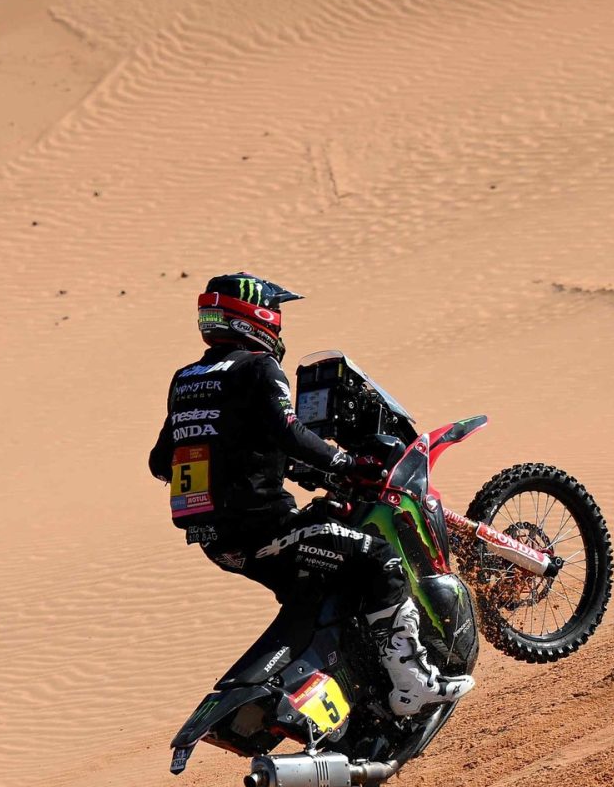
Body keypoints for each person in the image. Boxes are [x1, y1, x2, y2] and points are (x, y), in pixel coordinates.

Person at [148, 272, 471, 717]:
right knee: (381, 560)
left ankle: (355, 694)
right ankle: (411, 682)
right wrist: (344, 463)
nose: (279, 325)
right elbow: (289, 430)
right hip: (268, 529)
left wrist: (260, 463)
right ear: (257, 317)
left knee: (324, 593)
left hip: (218, 543)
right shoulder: (258, 367)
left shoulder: (186, 379)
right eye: (276, 315)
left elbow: (161, 461)